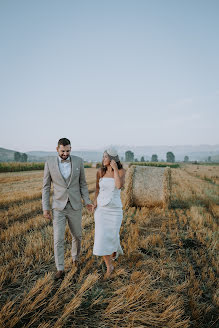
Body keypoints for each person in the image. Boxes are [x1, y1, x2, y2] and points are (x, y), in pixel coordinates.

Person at [42, 138, 93, 280]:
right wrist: (45, 208)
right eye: (63, 151)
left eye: (68, 150)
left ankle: (75, 259)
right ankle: (60, 268)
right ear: (57, 149)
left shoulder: (78, 161)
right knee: (58, 239)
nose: (65, 153)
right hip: (58, 207)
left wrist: (87, 201)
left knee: (77, 235)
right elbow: (46, 187)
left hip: (75, 205)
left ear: (71, 149)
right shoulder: (49, 163)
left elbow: (83, 184)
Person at [93, 148, 126, 277]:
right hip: (101, 210)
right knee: (101, 237)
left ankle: (114, 250)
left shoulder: (122, 171)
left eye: (106, 157)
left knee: (112, 236)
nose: (103, 159)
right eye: (103, 157)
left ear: (112, 159)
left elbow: (118, 186)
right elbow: (97, 189)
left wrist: (115, 170)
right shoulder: (100, 172)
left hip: (115, 211)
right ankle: (109, 266)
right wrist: (95, 202)